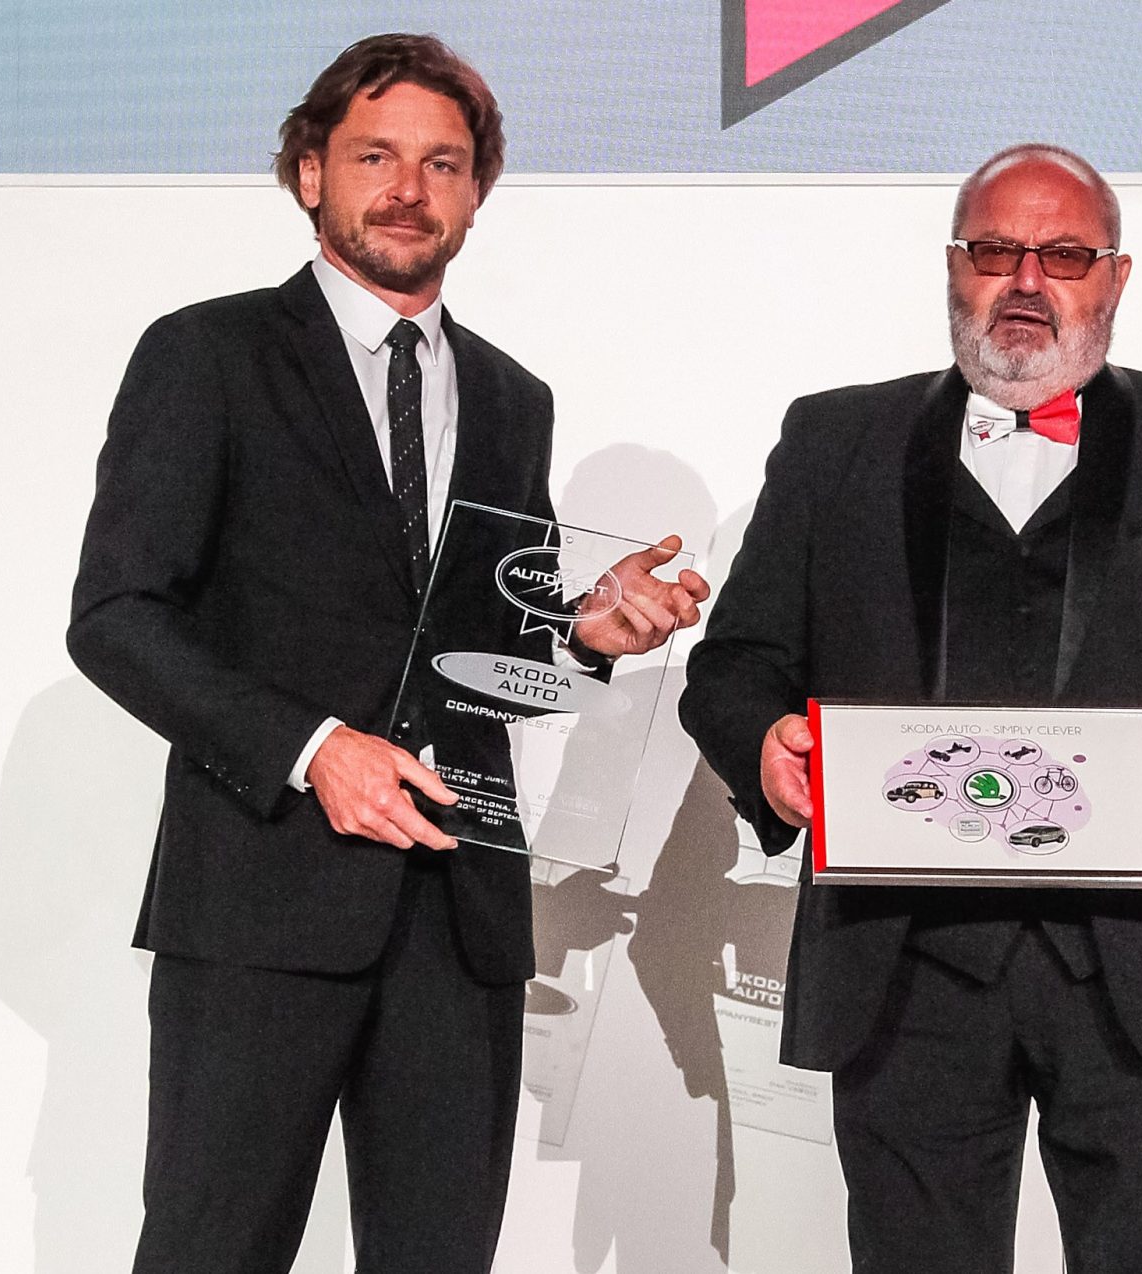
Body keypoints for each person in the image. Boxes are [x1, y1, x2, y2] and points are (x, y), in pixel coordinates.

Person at [67, 34, 706, 1274]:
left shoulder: (512, 396)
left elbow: (479, 648)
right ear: (311, 173)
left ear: (476, 192)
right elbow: (117, 615)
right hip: (258, 906)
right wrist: (314, 749)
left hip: (459, 916)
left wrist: (584, 633)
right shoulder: (207, 354)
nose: (409, 189)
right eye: (374, 157)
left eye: (442, 164)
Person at [678, 143, 1142, 1274]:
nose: (1026, 280)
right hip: (903, 968)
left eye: (1065, 255)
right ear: (953, 266)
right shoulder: (833, 440)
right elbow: (733, 667)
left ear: (1116, 277)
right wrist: (763, 745)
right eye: (996, 250)